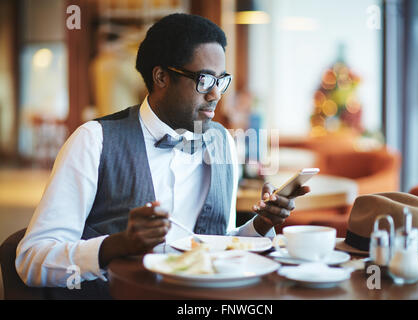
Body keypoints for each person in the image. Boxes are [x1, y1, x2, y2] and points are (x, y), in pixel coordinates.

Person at [15, 13, 309, 299]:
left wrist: (261, 225)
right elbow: (31, 260)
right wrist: (117, 245)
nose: (216, 94)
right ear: (161, 77)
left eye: (221, 80)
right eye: (205, 80)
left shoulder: (221, 142)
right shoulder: (93, 141)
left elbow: (218, 244)